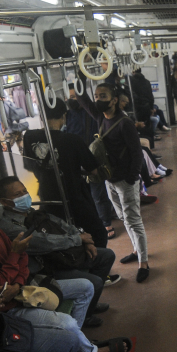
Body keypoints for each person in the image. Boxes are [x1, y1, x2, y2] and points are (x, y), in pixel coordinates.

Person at [0, 184, 131, 352]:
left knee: (86, 287)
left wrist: (16, 283)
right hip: (9, 309)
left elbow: (23, 261)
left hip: (23, 288)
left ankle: (74, 343)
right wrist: (14, 259)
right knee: (68, 324)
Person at [0, 176, 121, 327]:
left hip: (63, 256)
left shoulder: (30, 212)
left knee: (106, 255)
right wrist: (78, 240)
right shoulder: (10, 228)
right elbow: (44, 242)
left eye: (25, 191)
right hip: (48, 268)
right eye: (17, 195)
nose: (24, 196)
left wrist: (84, 239)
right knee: (95, 282)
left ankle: (90, 303)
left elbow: (60, 223)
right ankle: (85, 316)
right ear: (4, 202)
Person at [80, 81, 151, 283]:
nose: (98, 99)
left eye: (103, 96)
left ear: (114, 100)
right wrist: (76, 80)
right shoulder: (101, 119)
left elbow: (137, 153)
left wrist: (131, 178)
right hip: (109, 180)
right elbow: (83, 100)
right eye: (96, 96)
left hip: (125, 181)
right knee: (123, 217)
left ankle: (144, 262)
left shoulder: (124, 123)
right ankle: (137, 250)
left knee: (133, 220)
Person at [22, 98, 108, 248]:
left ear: (41, 115)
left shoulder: (29, 137)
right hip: (73, 196)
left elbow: (29, 166)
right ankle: (96, 266)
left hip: (46, 196)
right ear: (64, 115)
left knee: (59, 232)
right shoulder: (72, 140)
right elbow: (93, 170)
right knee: (98, 234)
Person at [67, 86, 118, 241]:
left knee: (98, 192)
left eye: (75, 97)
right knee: (86, 193)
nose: (72, 100)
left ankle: (105, 222)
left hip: (92, 157)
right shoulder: (68, 115)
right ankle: (98, 217)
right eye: (70, 98)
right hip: (75, 158)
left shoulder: (92, 114)